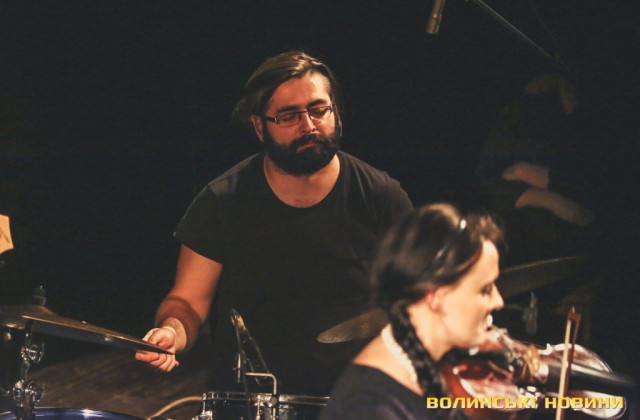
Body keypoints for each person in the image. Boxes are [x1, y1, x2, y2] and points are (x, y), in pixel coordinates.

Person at [134, 50, 413, 396]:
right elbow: (188, 301)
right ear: (259, 126)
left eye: (318, 109)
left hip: (355, 399)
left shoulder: (381, 197)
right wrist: (172, 331)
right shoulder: (222, 201)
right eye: (289, 116)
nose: (308, 125)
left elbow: (420, 298)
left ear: (336, 112)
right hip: (250, 399)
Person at [320, 203, 505, 420]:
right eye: (485, 290)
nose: (499, 301)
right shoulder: (369, 407)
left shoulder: (441, 370)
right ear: (435, 296)